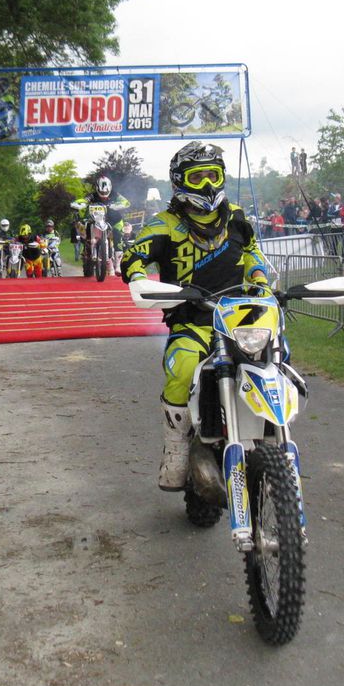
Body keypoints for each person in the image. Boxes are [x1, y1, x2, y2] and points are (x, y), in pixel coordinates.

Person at [120, 141, 269, 490]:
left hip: (240, 318)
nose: (205, 185)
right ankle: (176, 451)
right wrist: (141, 280)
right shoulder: (164, 224)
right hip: (191, 319)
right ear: (179, 181)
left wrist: (259, 278)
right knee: (183, 365)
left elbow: (253, 252)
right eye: (196, 177)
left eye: (212, 176)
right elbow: (133, 257)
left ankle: (269, 431)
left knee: (275, 355)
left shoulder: (237, 218)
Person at [71, 176, 130, 274]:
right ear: (97, 189)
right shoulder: (93, 196)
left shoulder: (115, 194)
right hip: (97, 220)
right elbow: (84, 200)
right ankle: (87, 248)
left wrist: (117, 205)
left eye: (105, 193)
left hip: (114, 220)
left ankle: (118, 265)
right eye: (101, 193)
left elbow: (126, 202)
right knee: (85, 225)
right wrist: (77, 204)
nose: (103, 195)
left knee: (117, 235)